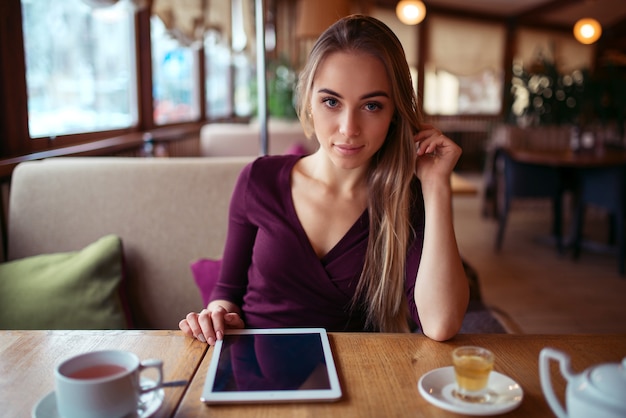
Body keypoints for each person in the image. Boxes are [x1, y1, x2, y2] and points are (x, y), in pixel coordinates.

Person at [180, 14, 469, 344]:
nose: (349, 128)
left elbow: (441, 324)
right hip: (255, 372)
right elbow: (227, 291)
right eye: (331, 101)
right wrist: (216, 314)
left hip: (354, 383)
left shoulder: (406, 197)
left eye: (372, 106)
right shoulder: (258, 179)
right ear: (309, 101)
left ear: (394, 115)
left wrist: (435, 185)